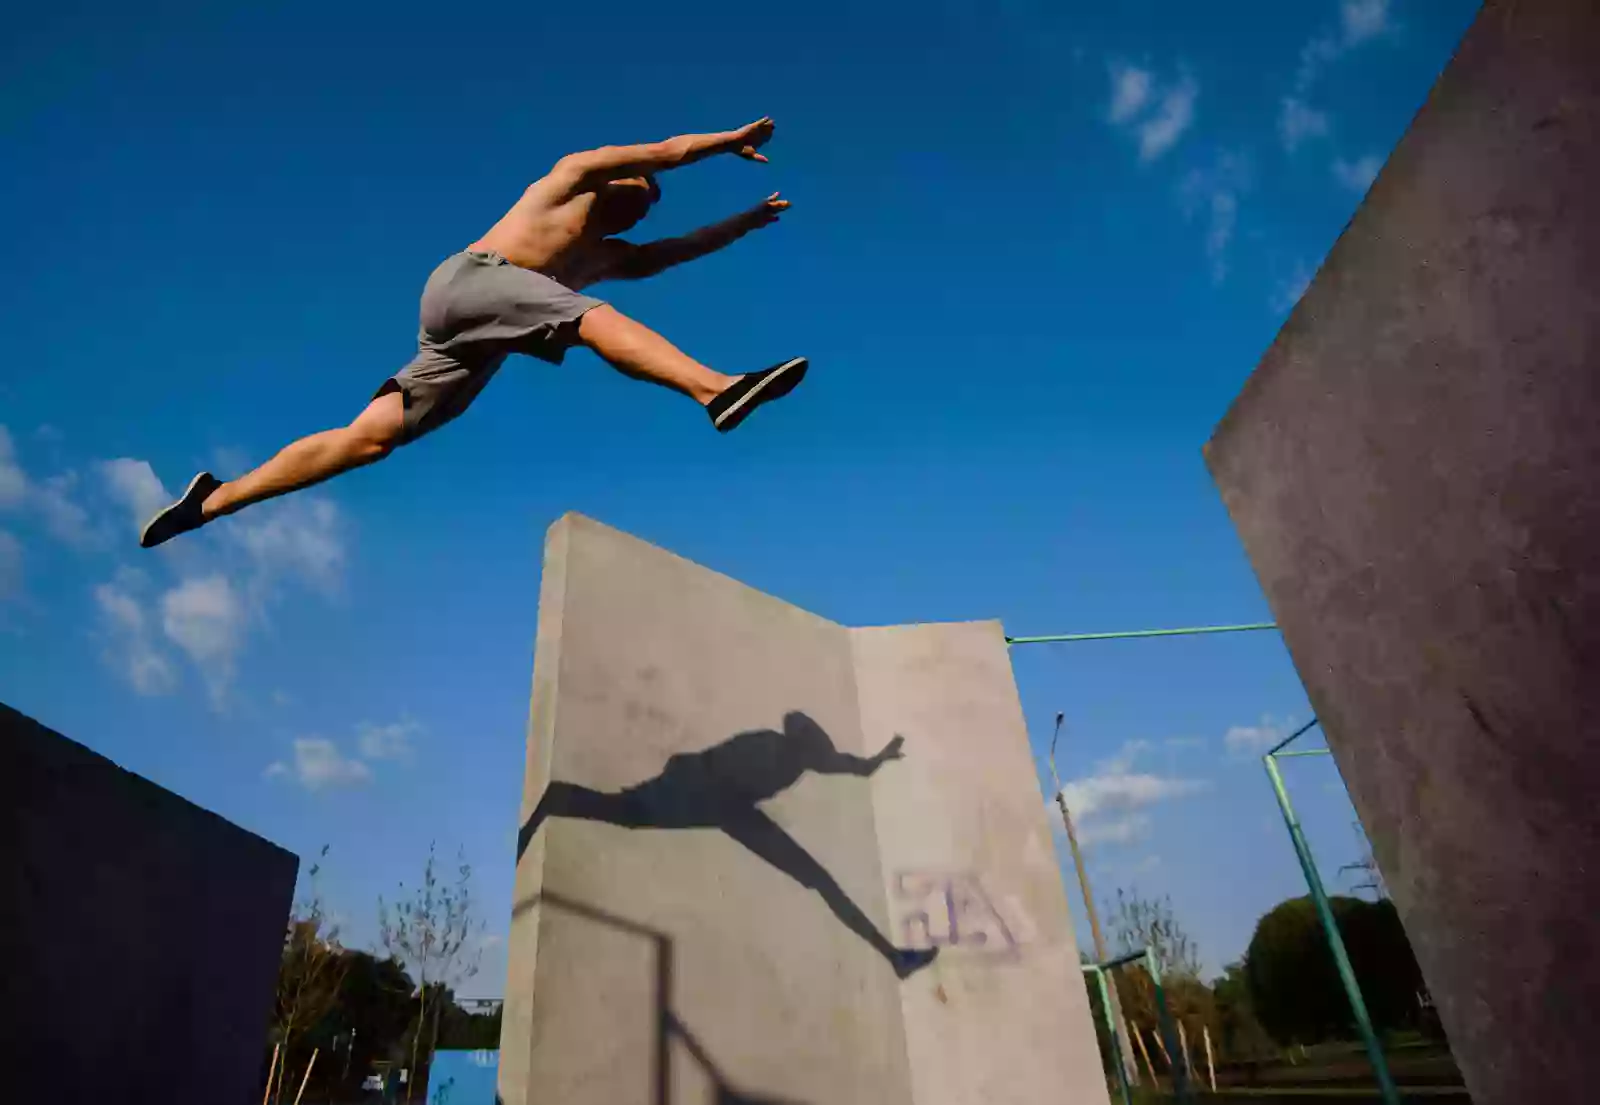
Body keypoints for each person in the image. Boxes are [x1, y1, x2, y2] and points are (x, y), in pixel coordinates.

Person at [139, 117, 806, 549]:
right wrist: (724, 144)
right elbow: (664, 151)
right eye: (639, 186)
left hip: (481, 337)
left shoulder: (611, 255)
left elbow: (679, 249)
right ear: (614, 179)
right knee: (584, 318)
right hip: (472, 280)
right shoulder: (569, 178)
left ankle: (211, 500)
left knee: (368, 440)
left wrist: (748, 222)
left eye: (649, 200)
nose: (644, 196)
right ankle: (715, 389)